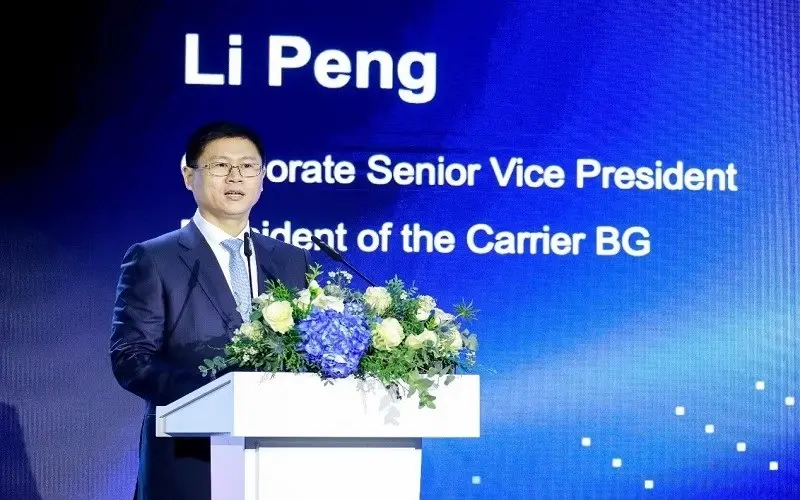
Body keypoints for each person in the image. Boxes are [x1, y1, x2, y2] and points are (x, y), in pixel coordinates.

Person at [109, 121, 311, 500]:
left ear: (262, 179)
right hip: (188, 456)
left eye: (248, 166)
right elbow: (132, 359)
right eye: (220, 166)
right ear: (190, 176)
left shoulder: (290, 260)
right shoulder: (155, 258)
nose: (235, 177)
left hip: (279, 459)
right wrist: (220, 398)